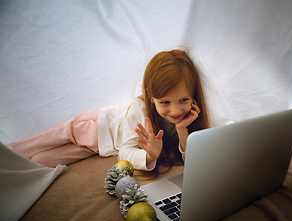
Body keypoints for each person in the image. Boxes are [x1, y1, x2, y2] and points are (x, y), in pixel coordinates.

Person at [8, 50, 210, 173]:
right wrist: (149, 157)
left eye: (183, 100)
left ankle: (10, 169)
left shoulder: (186, 119)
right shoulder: (141, 109)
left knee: (38, 162)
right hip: (95, 126)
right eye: (165, 102)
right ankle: (5, 154)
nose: (175, 110)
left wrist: (182, 129)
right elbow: (125, 151)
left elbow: (190, 161)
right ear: (150, 96)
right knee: (27, 148)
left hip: (100, 147)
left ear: (193, 95)